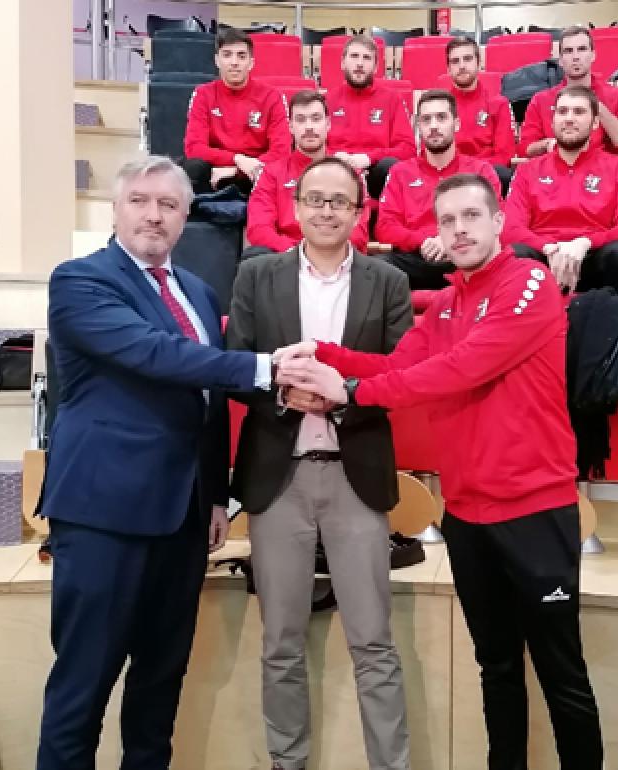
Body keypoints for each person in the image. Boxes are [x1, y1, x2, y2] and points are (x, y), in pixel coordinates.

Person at [275, 173, 605, 770]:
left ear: (499, 221)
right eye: (447, 220)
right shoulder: (448, 304)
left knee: (562, 674)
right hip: (469, 518)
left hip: (535, 513)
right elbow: (394, 366)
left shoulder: (529, 282)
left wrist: (350, 391)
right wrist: (320, 353)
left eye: (471, 216)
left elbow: (461, 369)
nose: (459, 230)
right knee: (496, 667)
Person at [35, 156, 294, 769]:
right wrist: (268, 368)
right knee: (83, 688)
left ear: (185, 217)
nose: (154, 215)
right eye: (141, 201)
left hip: (182, 518)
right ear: (116, 210)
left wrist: (215, 494)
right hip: (104, 515)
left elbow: (207, 401)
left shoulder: (198, 293)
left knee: (159, 686)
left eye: (169, 205)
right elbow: (157, 355)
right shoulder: (80, 281)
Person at [227, 156, 414, 770]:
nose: (327, 211)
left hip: (355, 476)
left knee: (374, 642)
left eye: (340, 202)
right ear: (296, 205)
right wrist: (283, 394)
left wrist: (343, 395)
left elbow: (403, 373)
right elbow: (236, 364)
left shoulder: (388, 281)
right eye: (316, 199)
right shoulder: (258, 275)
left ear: (359, 212)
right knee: (280, 643)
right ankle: (288, 763)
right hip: (277, 478)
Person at [504, 85, 618, 296]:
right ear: (552, 122)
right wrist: (549, 247)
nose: (569, 119)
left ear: (595, 122)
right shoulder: (527, 170)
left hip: (594, 255)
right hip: (545, 257)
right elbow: (510, 229)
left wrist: (586, 242)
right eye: (562, 112)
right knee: (515, 253)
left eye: (579, 112)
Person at [377, 89, 503, 290]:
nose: (434, 126)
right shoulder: (400, 172)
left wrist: (450, 240)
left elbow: (496, 221)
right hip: (417, 257)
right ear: (418, 126)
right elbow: (385, 226)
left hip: (467, 257)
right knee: (375, 268)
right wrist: (424, 241)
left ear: (456, 124)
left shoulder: (481, 171)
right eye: (426, 119)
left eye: (441, 117)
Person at [244, 90, 370, 261]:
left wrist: (319, 252)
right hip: (287, 257)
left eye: (316, 118)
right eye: (301, 119)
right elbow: (258, 229)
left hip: (336, 258)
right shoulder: (271, 173)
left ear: (328, 124)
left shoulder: (351, 173)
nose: (309, 127)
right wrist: (299, 254)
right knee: (254, 256)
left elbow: (358, 233)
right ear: (290, 126)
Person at [182, 27, 291, 193]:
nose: (234, 62)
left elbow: (281, 152)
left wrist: (237, 171)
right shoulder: (203, 94)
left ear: (251, 63)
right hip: (215, 172)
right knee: (193, 168)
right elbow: (194, 148)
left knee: (278, 170)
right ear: (217, 60)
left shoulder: (272, 97)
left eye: (241, 56)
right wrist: (237, 159)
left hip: (255, 171)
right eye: (227, 55)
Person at [519, 25, 618, 159]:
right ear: (560, 60)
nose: (575, 57)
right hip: (556, 167)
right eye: (568, 51)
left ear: (593, 55)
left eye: (582, 49)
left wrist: (597, 108)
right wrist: (549, 144)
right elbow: (525, 149)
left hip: (604, 168)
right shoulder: (540, 100)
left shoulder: (616, 96)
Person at [325, 34, 416, 201]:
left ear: (375, 67)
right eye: (354, 56)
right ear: (343, 63)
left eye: (367, 58)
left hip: (376, 175)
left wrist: (369, 158)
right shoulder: (328, 99)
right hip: (335, 171)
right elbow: (314, 145)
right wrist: (334, 155)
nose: (360, 63)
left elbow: (407, 149)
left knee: (390, 166)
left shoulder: (392, 99)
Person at [444, 35, 517, 192]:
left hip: (486, 178)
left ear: (479, 63)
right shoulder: (440, 106)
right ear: (448, 69)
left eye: (467, 59)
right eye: (455, 61)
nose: (462, 66)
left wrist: (473, 170)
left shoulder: (498, 103)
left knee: (503, 174)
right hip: (447, 178)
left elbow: (505, 155)